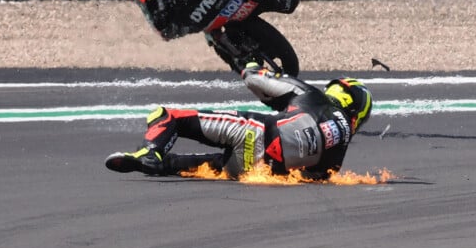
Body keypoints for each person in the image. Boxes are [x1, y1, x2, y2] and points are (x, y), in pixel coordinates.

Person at [105, 63, 373, 180]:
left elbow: (258, 80)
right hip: (257, 172)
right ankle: (162, 166)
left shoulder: (315, 97)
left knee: (167, 115)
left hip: (253, 133)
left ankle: (149, 151)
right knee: (206, 165)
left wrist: (250, 66)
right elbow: (310, 177)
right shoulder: (338, 158)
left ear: (343, 93)